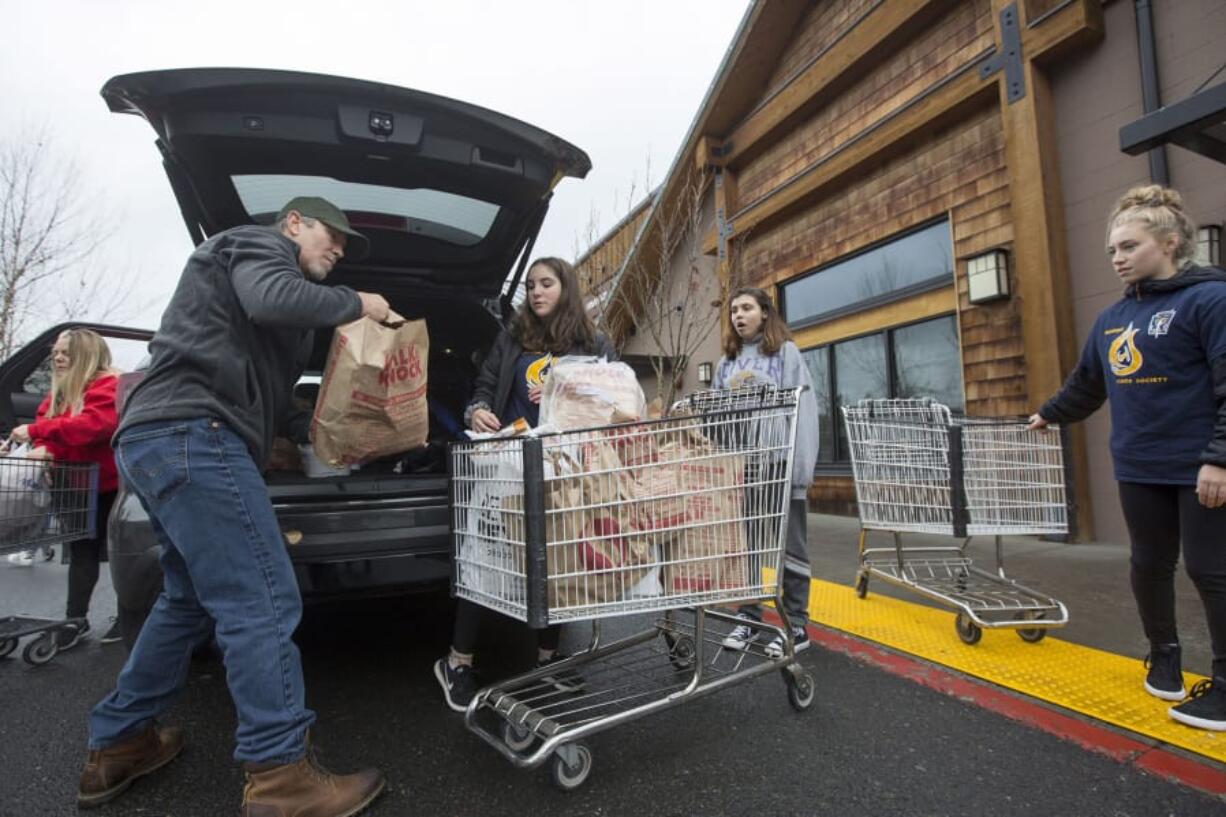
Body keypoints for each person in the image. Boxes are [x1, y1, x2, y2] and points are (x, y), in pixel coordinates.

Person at [75, 196, 393, 815]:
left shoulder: (275, 304)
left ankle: (119, 742)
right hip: (196, 433)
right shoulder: (252, 245)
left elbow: (272, 392)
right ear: (294, 223)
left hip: (166, 440)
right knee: (263, 599)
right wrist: (362, 303)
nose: (339, 251)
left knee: (186, 598)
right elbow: (272, 297)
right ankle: (281, 777)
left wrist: (323, 429)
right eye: (333, 237)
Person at [1029, 184, 1226, 733]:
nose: (1117, 258)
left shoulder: (1211, 300)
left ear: (1168, 243)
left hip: (1202, 466)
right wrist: (1050, 413)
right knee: (1149, 563)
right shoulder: (1113, 318)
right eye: (1112, 250)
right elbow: (1089, 383)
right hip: (1139, 464)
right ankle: (1164, 655)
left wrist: (1220, 459)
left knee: (1212, 571)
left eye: (1128, 246)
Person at [434, 256, 614, 712]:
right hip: (507, 465)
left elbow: (613, 400)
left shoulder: (593, 342)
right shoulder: (513, 337)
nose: (536, 292)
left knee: (556, 564)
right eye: (531, 285)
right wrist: (476, 409)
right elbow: (485, 385)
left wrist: (564, 390)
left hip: (562, 467)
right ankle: (457, 662)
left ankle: (548, 660)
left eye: (546, 283)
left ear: (565, 288)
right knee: (486, 560)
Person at [714, 287, 819, 659]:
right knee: (748, 548)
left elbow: (803, 409)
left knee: (790, 548)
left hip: (780, 463)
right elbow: (717, 417)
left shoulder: (785, 354)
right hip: (745, 467)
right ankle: (749, 618)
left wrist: (801, 469)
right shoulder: (725, 363)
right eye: (733, 311)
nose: (738, 316)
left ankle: (796, 624)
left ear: (764, 312)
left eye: (746, 308)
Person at [9, 329, 124, 649]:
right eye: (56, 352)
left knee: (118, 554)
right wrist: (45, 448)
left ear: (86, 356)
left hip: (109, 484)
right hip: (73, 484)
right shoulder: (58, 393)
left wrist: (37, 432)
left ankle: (127, 613)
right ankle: (76, 618)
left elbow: (93, 426)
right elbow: (49, 427)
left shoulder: (107, 387)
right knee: (81, 552)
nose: (57, 358)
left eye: (66, 354)